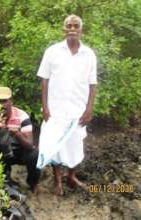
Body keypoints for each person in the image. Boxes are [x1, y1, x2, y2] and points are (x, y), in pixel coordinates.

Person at [36, 14, 97, 195]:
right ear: (64, 30)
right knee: (55, 146)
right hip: (55, 110)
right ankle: (58, 181)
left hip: (78, 110)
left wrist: (89, 109)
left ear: (81, 30)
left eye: (76, 26)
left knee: (75, 144)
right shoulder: (52, 51)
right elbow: (44, 80)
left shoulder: (89, 55)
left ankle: (71, 176)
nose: (72, 28)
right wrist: (45, 107)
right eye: (69, 25)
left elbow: (92, 84)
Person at [0, 86, 41, 193]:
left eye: (4, 101)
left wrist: (17, 134)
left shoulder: (22, 116)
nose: (0, 105)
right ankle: (6, 179)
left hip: (20, 151)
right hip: (3, 150)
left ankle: (32, 183)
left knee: (34, 154)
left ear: (11, 101)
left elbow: (30, 145)